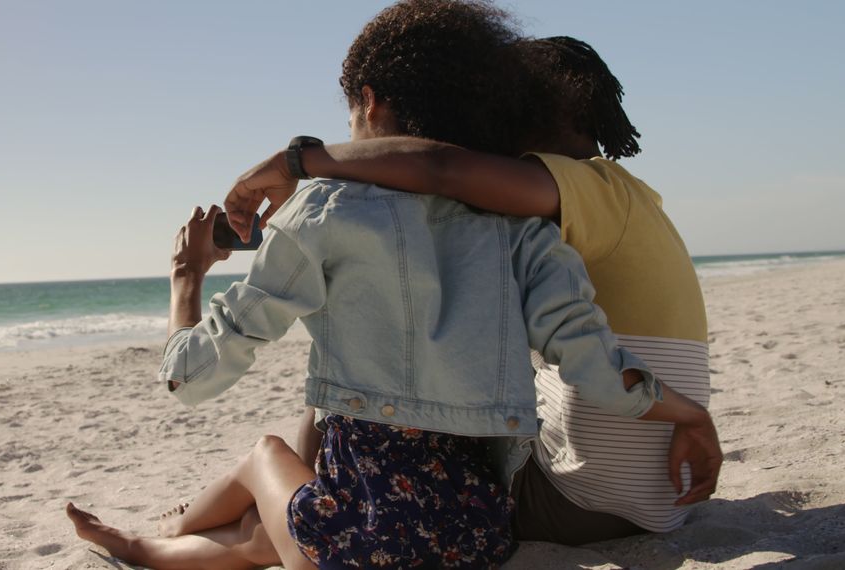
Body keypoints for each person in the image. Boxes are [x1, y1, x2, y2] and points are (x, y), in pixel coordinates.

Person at [223, 35, 722, 545]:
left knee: (351, 347)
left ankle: (309, 517)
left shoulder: (580, 187)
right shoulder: (629, 196)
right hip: (656, 501)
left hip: (572, 495)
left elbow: (442, 170)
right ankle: (276, 520)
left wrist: (297, 162)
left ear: (546, 104)